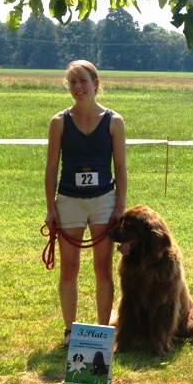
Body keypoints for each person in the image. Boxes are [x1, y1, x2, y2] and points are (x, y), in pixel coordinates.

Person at [45, 60, 127, 348]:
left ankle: (102, 332)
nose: (78, 87)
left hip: (104, 201)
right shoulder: (59, 122)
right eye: (73, 82)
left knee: (102, 269)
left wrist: (120, 207)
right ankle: (70, 331)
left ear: (96, 83)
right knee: (69, 269)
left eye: (83, 81)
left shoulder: (114, 121)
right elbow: (51, 168)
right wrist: (51, 208)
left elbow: (121, 167)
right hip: (69, 201)